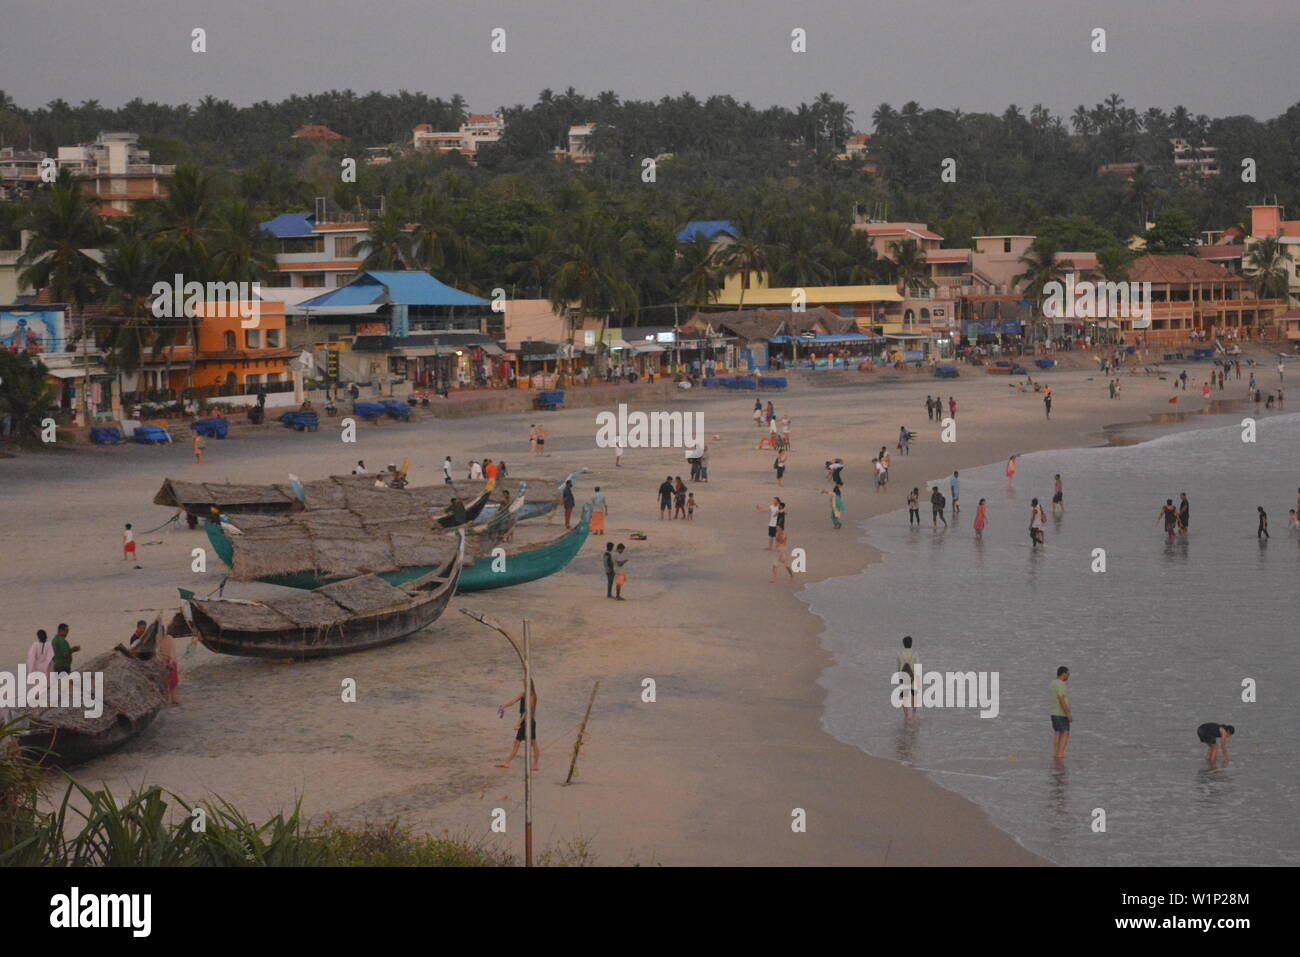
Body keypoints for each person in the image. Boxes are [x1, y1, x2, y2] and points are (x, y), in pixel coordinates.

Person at [497, 680, 540, 771]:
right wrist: (503, 706)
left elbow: (527, 711)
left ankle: (535, 764)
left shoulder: (532, 696)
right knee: (519, 743)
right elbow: (512, 702)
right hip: (524, 721)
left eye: (525, 684)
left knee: (532, 743)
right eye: (524, 684)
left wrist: (518, 723)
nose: (524, 686)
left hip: (529, 722)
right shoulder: (523, 694)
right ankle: (507, 762)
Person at [1050, 666, 1072, 758]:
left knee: (1058, 733)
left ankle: (1056, 753)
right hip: (1061, 713)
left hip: (1054, 713)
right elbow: (1061, 699)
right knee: (1065, 733)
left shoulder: (1053, 683)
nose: (1068, 676)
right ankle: (1060, 753)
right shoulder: (1061, 684)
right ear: (1064, 674)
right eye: (1068, 674)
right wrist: (1068, 713)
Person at [897, 636, 919, 721]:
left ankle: (906, 715)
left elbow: (898, 668)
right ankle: (913, 715)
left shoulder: (899, 654)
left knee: (904, 696)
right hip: (913, 677)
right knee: (914, 696)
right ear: (911, 643)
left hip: (903, 677)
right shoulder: (915, 654)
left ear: (903, 644)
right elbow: (917, 667)